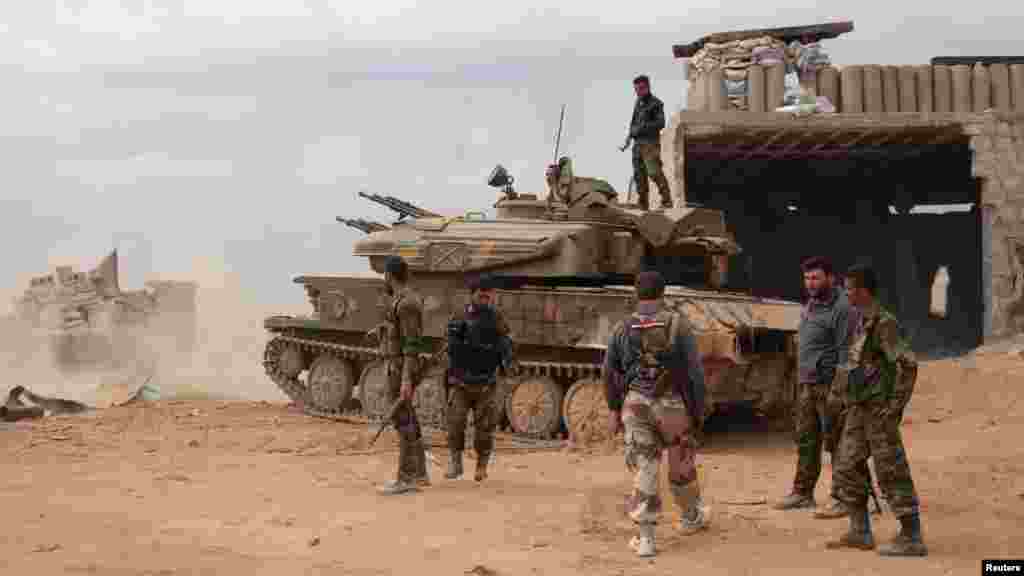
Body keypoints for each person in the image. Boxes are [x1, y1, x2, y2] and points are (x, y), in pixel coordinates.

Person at [604, 270, 708, 558]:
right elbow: (695, 373)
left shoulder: (622, 327)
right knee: (681, 461)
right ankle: (690, 517)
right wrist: (697, 411)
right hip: (672, 404)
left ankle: (646, 538)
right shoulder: (678, 324)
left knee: (645, 467)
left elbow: (610, 371)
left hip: (635, 403)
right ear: (664, 294)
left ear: (637, 294)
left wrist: (613, 408)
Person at [826, 263, 927, 556]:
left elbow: (908, 364)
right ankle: (860, 531)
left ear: (863, 291)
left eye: (849, 290)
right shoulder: (862, 320)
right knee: (845, 464)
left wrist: (894, 407)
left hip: (878, 410)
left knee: (890, 469)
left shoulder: (884, 322)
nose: (846, 295)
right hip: (859, 407)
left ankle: (912, 537)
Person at [774, 256, 855, 518]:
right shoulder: (812, 303)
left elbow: (846, 353)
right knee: (807, 440)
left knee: (837, 443)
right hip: (808, 385)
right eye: (807, 278)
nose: (810, 283)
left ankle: (843, 497)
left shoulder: (843, 308)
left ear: (830, 278)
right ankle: (802, 493)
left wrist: (838, 391)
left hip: (830, 386)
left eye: (816, 277)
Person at [444, 273, 516, 482]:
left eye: (488, 296)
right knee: (455, 422)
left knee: (484, 428)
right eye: (481, 296)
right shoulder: (459, 315)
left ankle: (481, 466)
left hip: (485, 382)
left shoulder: (496, 317)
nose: (485, 300)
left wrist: (508, 363)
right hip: (461, 381)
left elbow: (506, 343)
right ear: (472, 295)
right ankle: (455, 463)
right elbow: (449, 345)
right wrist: (456, 337)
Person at [375, 255, 431, 495]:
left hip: (400, 369)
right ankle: (419, 474)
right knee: (408, 418)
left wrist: (407, 380)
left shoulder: (407, 303)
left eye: (384, 276)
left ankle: (407, 478)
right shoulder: (402, 300)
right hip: (398, 366)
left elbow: (411, 345)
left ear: (389, 275)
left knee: (402, 420)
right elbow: (400, 333)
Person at [625, 75, 673, 211]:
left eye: (640, 89)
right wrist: (629, 137)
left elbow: (660, 123)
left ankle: (666, 201)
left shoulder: (656, 103)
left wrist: (642, 128)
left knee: (654, 172)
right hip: (637, 145)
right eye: (636, 90)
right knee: (639, 176)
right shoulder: (637, 103)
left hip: (650, 144)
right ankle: (643, 205)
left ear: (647, 87)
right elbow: (633, 122)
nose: (638, 92)